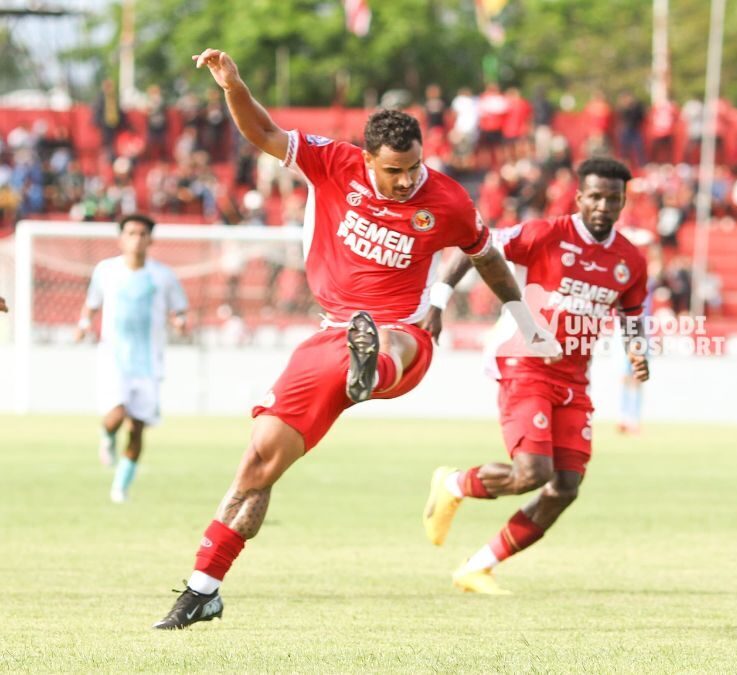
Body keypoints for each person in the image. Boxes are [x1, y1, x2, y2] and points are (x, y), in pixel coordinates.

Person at [152, 49, 560, 630]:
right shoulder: (331, 162)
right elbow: (264, 131)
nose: (406, 180)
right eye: (394, 171)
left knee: (386, 341)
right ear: (367, 158)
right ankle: (204, 585)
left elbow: (487, 257)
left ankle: (369, 371)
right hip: (330, 337)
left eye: (414, 167)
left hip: (404, 337)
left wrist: (524, 319)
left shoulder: (445, 200)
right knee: (258, 463)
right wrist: (233, 85)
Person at [419, 158, 650, 595]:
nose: (603, 205)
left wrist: (639, 351)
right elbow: (475, 245)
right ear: (580, 196)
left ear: (623, 202)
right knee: (532, 473)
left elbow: (633, 313)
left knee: (565, 487)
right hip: (523, 361)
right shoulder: (545, 234)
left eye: (613, 198)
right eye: (595, 196)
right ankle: (453, 484)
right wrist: (438, 302)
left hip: (574, 378)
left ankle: (476, 567)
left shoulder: (630, 260)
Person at [76, 214, 188, 503]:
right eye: (131, 233)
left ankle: (120, 487)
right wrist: (83, 325)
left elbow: (179, 309)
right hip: (113, 357)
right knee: (115, 415)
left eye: (142, 234)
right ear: (121, 238)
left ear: (150, 239)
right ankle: (107, 436)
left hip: (149, 362)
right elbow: (92, 305)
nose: (136, 239)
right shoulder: (106, 270)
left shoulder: (162, 275)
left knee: (138, 426)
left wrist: (180, 322)